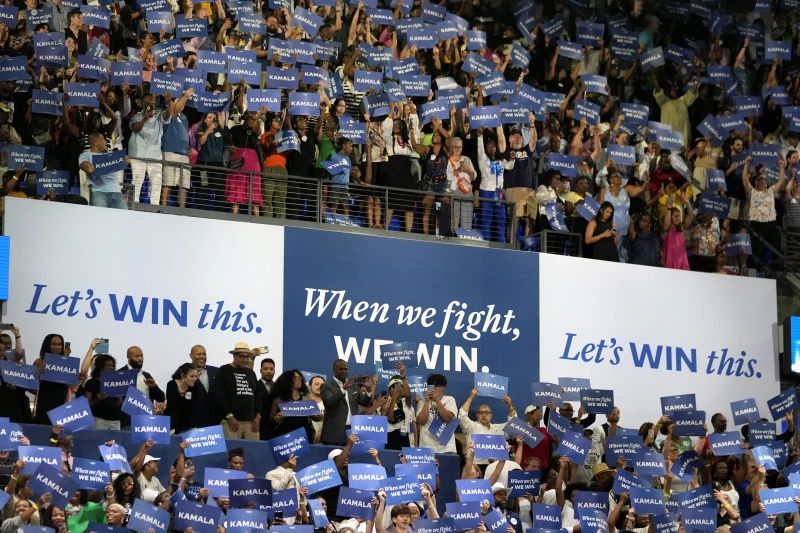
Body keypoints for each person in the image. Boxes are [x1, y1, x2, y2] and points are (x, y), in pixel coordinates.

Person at [743, 157, 787, 264]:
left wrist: (782, 168)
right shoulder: (752, 192)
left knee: (774, 246)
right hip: (756, 223)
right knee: (757, 248)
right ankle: (755, 268)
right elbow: (744, 179)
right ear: (756, 182)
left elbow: (781, 182)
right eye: (760, 179)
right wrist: (746, 164)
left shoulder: (771, 191)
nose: (763, 181)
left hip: (770, 223)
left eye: (764, 179)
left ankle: (775, 268)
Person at [129, 93, 171, 205]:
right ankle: (134, 207)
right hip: (138, 154)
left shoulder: (159, 115)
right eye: (147, 103)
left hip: (154, 156)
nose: (149, 105)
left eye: (151, 102)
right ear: (143, 104)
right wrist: (144, 119)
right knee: (137, 181)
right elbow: (135, 128)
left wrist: (168, 103)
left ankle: (154, 209)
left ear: (155, 103)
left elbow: (167, 116)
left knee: (157, 183)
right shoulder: (136, 116)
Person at [215, 342, 263, 439]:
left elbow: (257, 396)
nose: (245, 360)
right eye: (242, 357)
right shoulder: (224, 370)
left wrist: (258, 416)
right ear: (234, 355)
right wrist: (229, 416)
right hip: (232, 421)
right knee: (232, 451)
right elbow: (220, 395)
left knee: (254, 451)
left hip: (251, 422)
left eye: (247, 357)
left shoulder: (251, 373)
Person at [458, 388, 517, 466]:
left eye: (487, 412)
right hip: (476, 466)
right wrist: (471, 397)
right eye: (481, 412)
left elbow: (514, 425)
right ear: (477, 415)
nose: (484, 414)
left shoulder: (498, 429)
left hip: (495, 466)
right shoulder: (471, 426)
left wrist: (510, 406)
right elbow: (462, 416)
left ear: (491, 415)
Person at [319, 359, 373, 445]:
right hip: (334, 434)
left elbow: (365, 403)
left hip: (353, 432)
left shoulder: (353, 386)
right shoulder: (326, 386)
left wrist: (369, 389)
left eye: (346, 369)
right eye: (341, 369)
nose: (344, 371)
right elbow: (330, 402)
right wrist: (343, 388)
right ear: (334, 370)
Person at [77, 131, 130, 209]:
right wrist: (88, 167)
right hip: (99, 192)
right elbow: (83, 164)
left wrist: (126, 161)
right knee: (99, 218)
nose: (106, 141)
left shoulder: (110, 154)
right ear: (95, 143)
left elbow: (122, 161)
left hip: (117, 192)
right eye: (102, 139)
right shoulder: (86, 155)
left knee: (123, 217)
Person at [268, 369, 319, 441]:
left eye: (300, 377)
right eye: (296, 378)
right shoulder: (280, 399)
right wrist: (277, 417)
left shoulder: (306, 397)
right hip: (285, 435)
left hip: (304, 435)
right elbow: (271, 417)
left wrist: (318, 416)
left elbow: (314, 416)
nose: (299, 380)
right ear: (288, 380)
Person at [476, 127, 506, 242]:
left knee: (501, 220)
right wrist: (479, 136)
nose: (491, 148)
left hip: (499, 192)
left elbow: (510, 166)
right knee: (486, 220)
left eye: (493, 146)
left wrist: (512, 159)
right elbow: (480, 150)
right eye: (488, 146)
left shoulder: (501, 161)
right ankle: (486, 242)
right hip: (486, 192)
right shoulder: (483, 160)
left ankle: (502, 243)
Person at [415, 373, 457, 454]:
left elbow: (448, 418)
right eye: (431, 385)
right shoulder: (422, 402)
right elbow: (421, 421)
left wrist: (437, 401)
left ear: (443, 387)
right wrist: (427, 402)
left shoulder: (449, 400)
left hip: (446, 448)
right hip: (426, 447)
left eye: (437, 385)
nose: (434, 388)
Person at [83, 354, 123, 429]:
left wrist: (118, 397)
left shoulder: (117, 383)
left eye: (112, 365)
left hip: (115, 421)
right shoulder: (91, 383)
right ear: (100, 366)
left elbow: (120, 403)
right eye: (107, 365)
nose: (110, 367)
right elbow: (86, 407)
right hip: (99, 420)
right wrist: (96, 400)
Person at [165, 362, 199, 434]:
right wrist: (174, 429)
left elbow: (194, 410)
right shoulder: (171, 385)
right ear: (183, 376)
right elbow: (172, 409)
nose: (194, 379)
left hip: (186, 426)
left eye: (196, 376)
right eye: (192, 376)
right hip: (170, 424)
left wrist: (193, 428)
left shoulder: (195, 387)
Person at [661, 197, 694, 270]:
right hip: (670, 263)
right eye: (676, 216)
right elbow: (666, 223)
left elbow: (690, 216)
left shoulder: (681, 228)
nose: (678, 218)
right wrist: (669, 209)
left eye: (679, 216)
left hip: (682, 262)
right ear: (670, 217)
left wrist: (687, 203)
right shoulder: (666, 230)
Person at [189, 345, 218, 429]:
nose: (202, 356)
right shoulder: (184, 371)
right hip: (194, 419)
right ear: (191, 356)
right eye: (199, 354)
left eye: (204, 354)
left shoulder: (216, 371)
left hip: (214, 419)